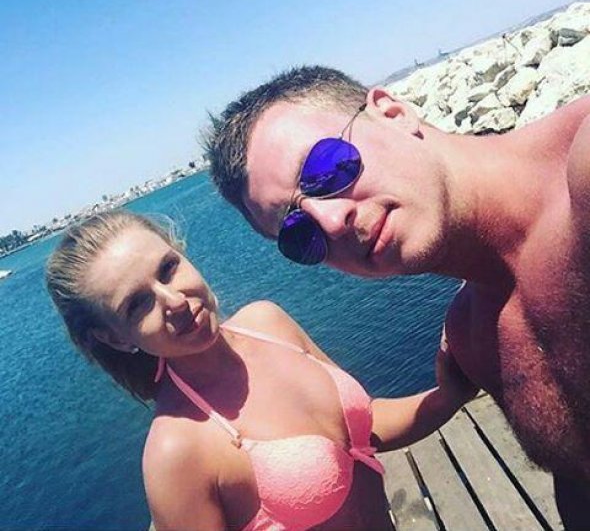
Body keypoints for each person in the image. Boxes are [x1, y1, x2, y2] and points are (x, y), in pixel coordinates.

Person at [206, 65, 590, 528]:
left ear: (392, 113)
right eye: (297, 231)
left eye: (326, 168)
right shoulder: (474, 338)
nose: (331, 221)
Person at [46, 210, 475, 530]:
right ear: (115, 338)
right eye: (138, 304)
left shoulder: (267, 322)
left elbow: (362, 430)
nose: (174, 301)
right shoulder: (177, 452)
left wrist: (448, 395)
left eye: (168, 268)